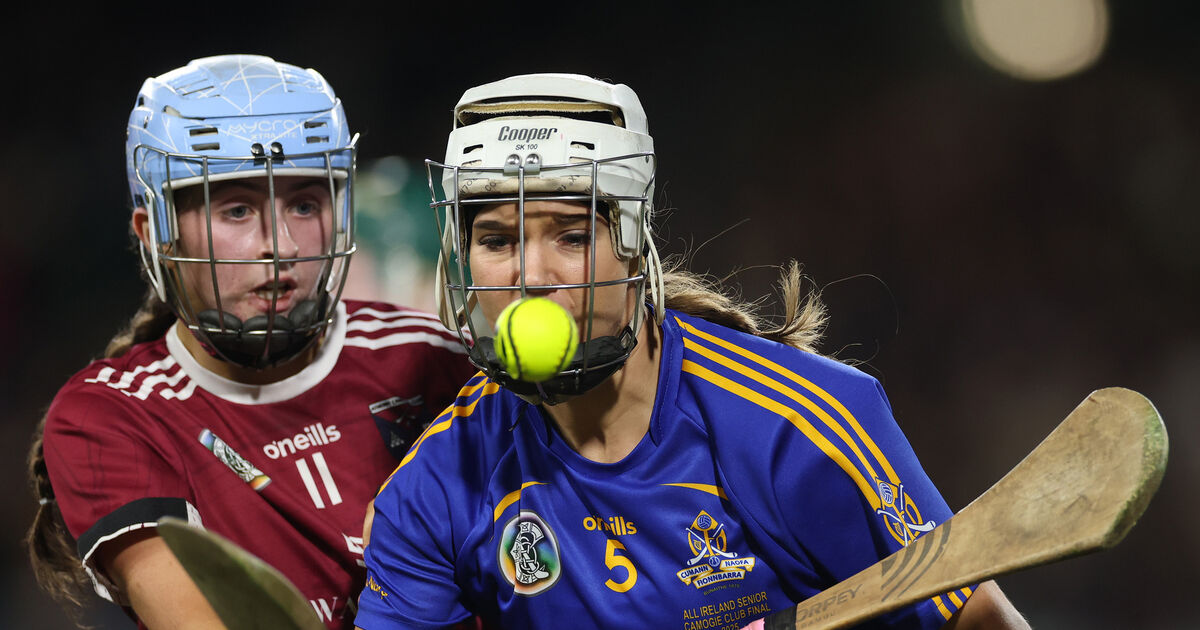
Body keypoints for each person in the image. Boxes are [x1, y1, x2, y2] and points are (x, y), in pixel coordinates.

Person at [354, 73, 1031, 630]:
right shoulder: (437, 484)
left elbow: (978, 620)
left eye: (569, 234)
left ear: (632, 246)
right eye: (497, 240)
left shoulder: (796, 425)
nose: (531, 275)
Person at [27, 54, 476, 630]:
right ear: (155, 233)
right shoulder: (111, 415)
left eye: (305, 204)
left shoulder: (430, 358)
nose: (281, 245)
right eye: (237, 209)